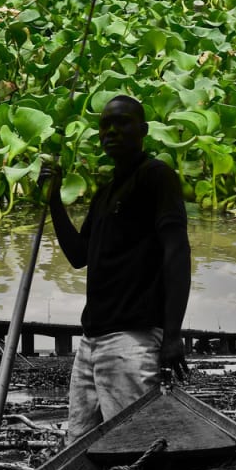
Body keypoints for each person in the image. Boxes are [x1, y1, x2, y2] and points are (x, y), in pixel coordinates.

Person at [47, 94, 191, 443]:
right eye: (105, 125)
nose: (111, 131)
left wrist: (172, 335)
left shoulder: (156, 177)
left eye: (122, 123)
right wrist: (54, 199)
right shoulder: (105, 193)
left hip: (132, 338)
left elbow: (177, 253)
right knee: (80, 443)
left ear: (143, 130)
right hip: (91, 340)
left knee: (134, 443)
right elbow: (79, 255)